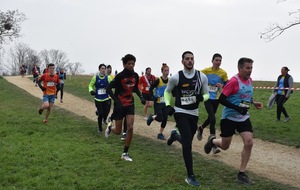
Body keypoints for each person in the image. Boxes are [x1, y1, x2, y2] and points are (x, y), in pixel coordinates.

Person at [204, 57, 263, 185]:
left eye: (251, 68)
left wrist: (254, 102)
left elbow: (246, 95)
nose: (250, 71)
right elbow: (222, 99)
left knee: (249, 142)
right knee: (225, 146)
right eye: (247, 68)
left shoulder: (249, 80)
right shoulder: (233, 82)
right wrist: (237, 108)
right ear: (240, 68)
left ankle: (241, 173)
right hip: (229, 118)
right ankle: (212, 140)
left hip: (243, 117)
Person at [165, 51, 209, 186]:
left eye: (192, 59)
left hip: (194, 113)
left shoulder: (202, 77)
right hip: (180, 111)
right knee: (188, 146)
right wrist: (167, 105)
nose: (190, 61)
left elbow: (207, 94)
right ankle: (190, 175)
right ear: (182, 61)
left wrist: (201, 97)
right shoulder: (176, 77)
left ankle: (174, 135)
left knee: (186, 142)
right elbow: (167, 92)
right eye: (187, 59)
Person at [105, 54, 145, 161]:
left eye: (133, 63)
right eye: (129, 64)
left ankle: (125, 153)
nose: (131, 66)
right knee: (118, 131)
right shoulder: (119, 76)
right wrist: (116, 101)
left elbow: (136, 88)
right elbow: (108, 89)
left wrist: (141, 97)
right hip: (119, 105)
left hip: (130, 104)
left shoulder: (135, 76)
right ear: (124, 64)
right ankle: (110, 127)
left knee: (130, 127)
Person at [197, 53, 228, 154]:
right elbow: (197, 76)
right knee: (213, 119)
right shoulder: (206, 71)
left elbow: (227, 85)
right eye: (216, 60)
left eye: (220, 60)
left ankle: (201, 128)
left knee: (211, 118)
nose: (218, 62)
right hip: (207, 97)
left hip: (216, 98)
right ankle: (214, 145)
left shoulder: (223, 73)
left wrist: (222, 85)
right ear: (212, 61)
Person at [146, 63, 170, 140]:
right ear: (162, 71)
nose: (167, 72)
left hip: (166, 102)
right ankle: (152, 117)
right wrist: (153, 97)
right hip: (158, 102)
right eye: (165, 70)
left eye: (168, 70)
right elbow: (150, 89)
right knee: (160, 118)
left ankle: (160, 133)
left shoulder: (170, 80)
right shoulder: (158, 80)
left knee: (165, 118)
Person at [89, 64, 112, 133]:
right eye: (102, 68)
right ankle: (99, 127)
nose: (104, 70)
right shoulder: (95, 78)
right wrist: (91, 91)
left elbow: (113, 85)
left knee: (106, 112)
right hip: (98, 98)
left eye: (104, 68)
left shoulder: (108, 78)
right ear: (99, 69)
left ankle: (104, 118)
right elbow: (90, 85)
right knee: (101, 113)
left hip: (106, 98)